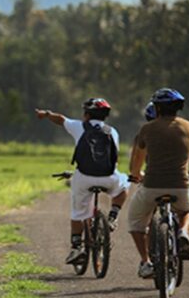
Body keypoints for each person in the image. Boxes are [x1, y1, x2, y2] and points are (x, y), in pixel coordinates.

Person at [35, 98, 129, 264]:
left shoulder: (79, 126)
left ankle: (76, 248)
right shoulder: (112, 131)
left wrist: (46, 114)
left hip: (84, 177)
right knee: (124, 185)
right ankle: (113, 217)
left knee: (78, 212)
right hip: (109, 177)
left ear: (86, 114)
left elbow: (61, 119)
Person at [127, 88, 189, 279]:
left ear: (157, 108)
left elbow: (136, 163)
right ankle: (184, 233)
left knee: (135, 222)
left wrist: (137, 175)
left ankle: (146, 263)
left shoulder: (146, 129)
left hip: (151, 186)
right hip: (180, 185)